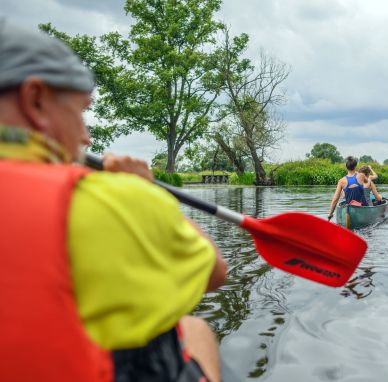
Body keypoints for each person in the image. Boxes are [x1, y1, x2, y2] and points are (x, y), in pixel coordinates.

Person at [0, 21, 226, 381]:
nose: (86, 137)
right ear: (36, 100)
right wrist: (146, 190)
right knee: (195, 329)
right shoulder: (114, 200)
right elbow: (215, 272)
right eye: (80, 111)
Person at [328, 156, 368, 220]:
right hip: (363, 207)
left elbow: (335, 199)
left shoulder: (341, 181)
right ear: (355, 166)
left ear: (346, 167)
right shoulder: (361, 176)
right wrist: (358, 172)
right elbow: (367, 181)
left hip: (349, 209)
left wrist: (330, 214)